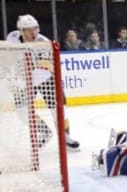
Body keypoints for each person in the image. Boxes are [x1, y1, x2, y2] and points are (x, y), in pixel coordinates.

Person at [6, 14, 81, 150]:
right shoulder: (12, 38)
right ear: (21, 31)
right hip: (25, 81)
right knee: (22, 111)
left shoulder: (43, 42)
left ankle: (65, 137)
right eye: (28, 29)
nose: (33, 32)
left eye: (35, 28)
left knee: (59, 108)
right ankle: (44, 131)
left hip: (45, 78)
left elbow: (47, 65)